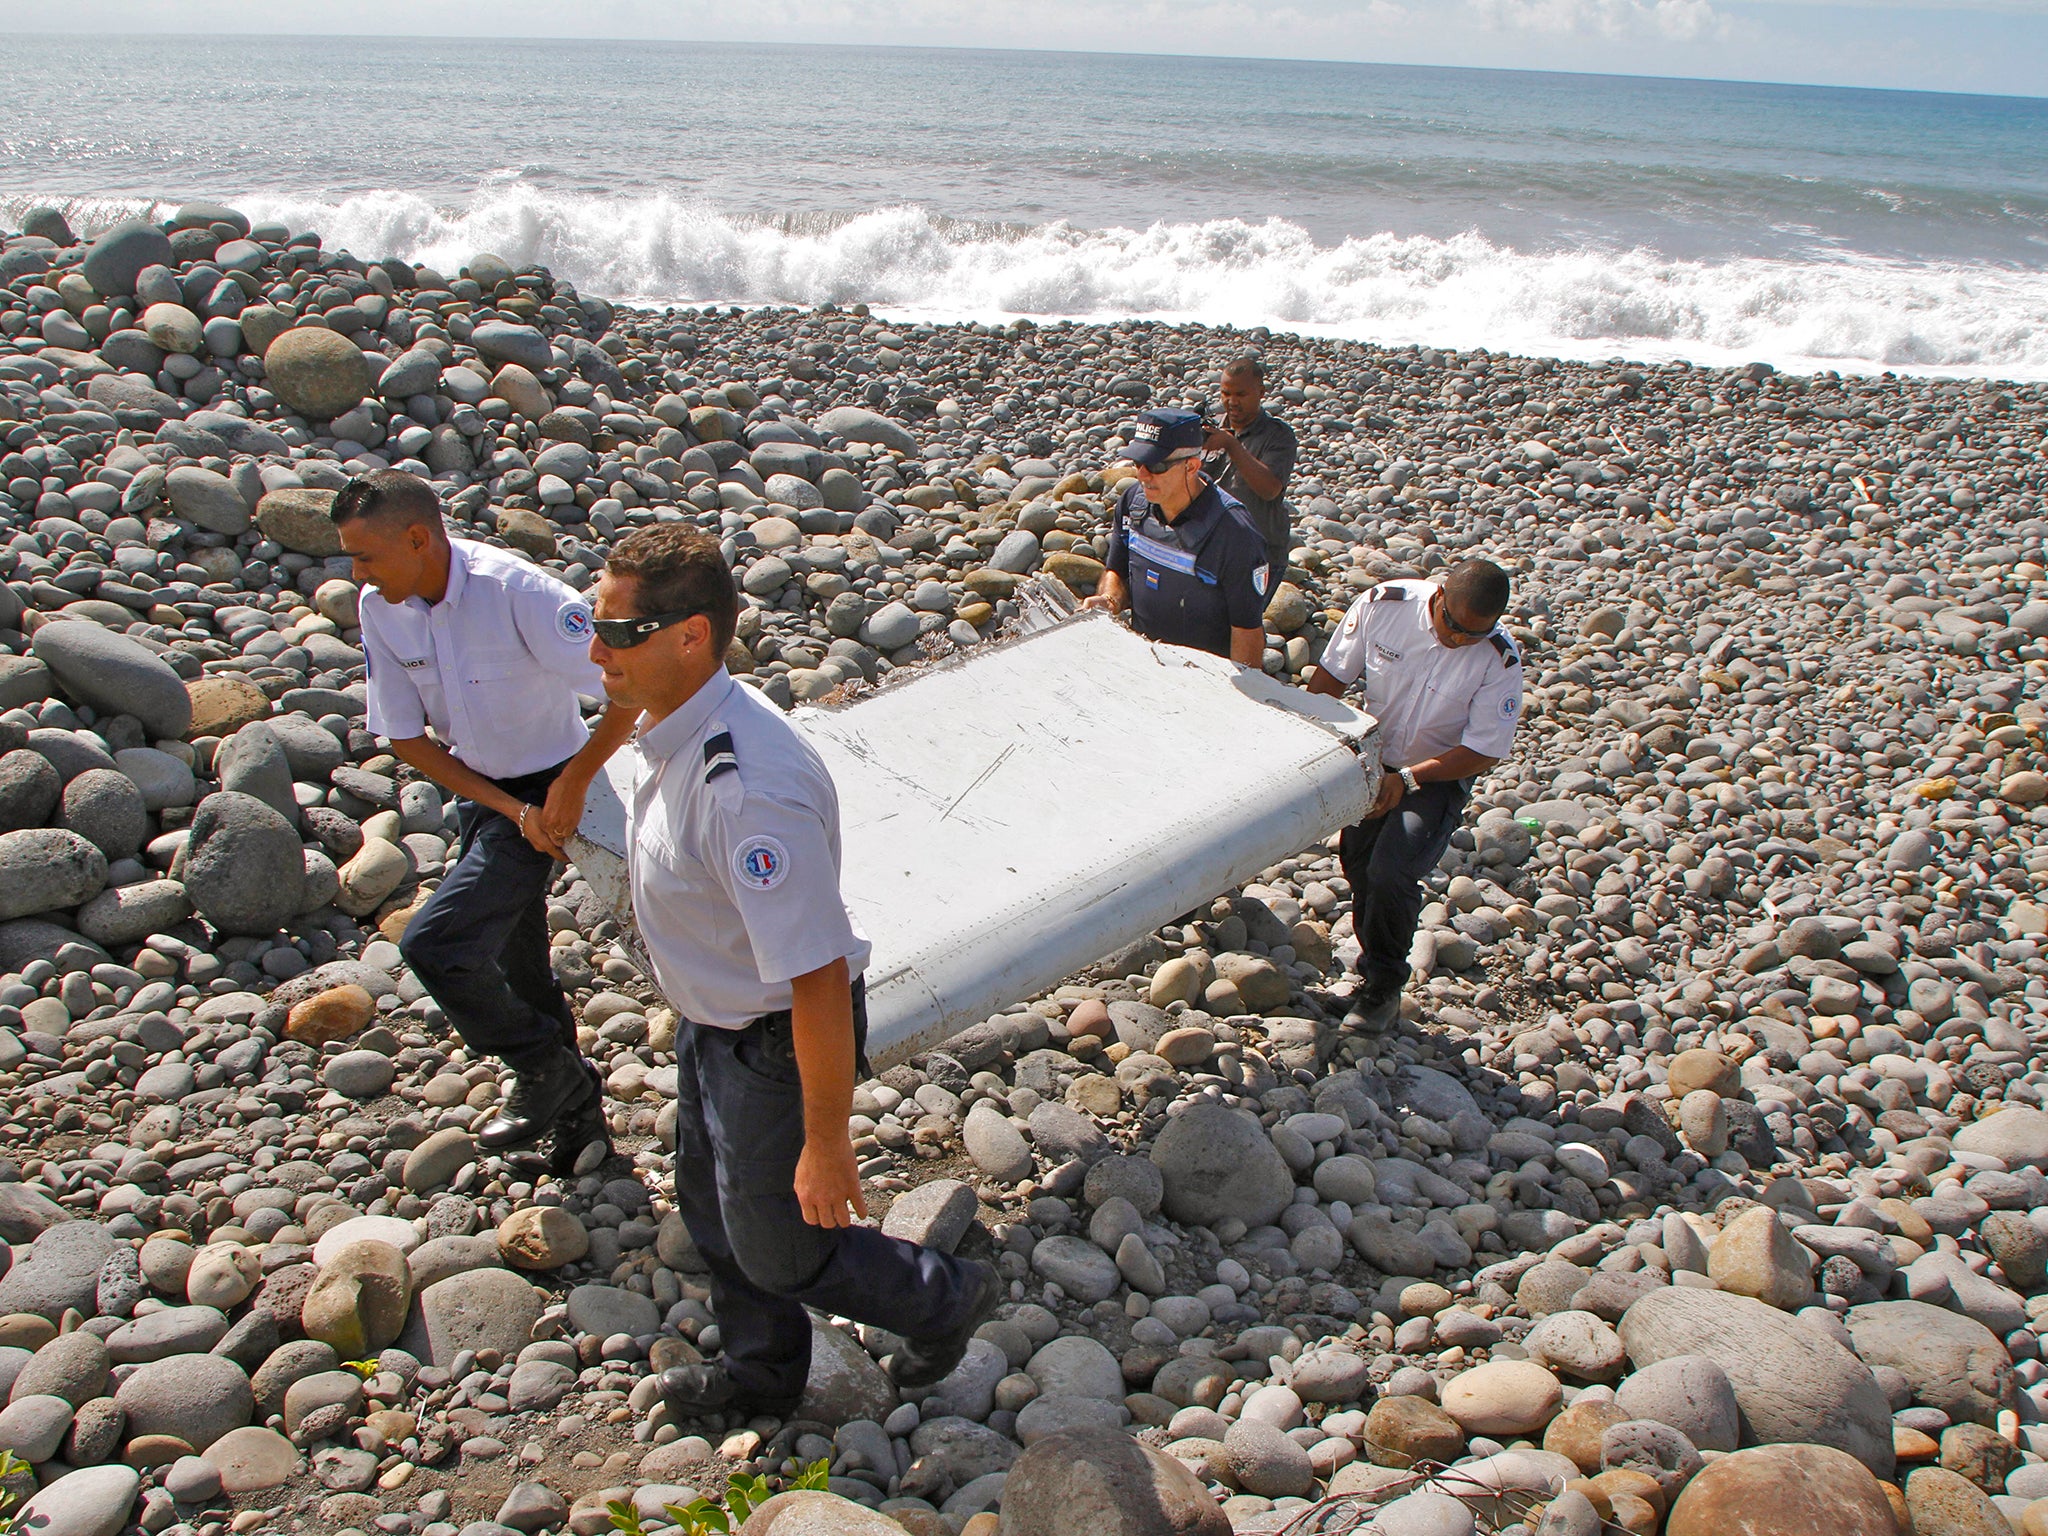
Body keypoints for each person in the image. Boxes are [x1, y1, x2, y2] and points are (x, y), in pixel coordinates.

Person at [587, 525, 1001, 1421]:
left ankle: (946, 1296)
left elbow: (814, 978)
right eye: (595, 624)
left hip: (775, 1037)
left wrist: (827, 1140)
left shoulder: (748, 792)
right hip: (717, 1022)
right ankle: (764, 1375)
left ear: (691, 636)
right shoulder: (675, 717)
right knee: (711, 1201)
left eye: (617, 634)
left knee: (782, 1247)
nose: (596, 651)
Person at [337, 470, 637, 1174]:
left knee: (436, 945)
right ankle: (579, 1124)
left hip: (555, 781)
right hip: (489, 795)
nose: (357, 573)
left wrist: (572, 784)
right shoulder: (381, 606)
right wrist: (509, 810)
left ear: (418, 539)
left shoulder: (515, 592)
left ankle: (542, 1069)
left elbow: (628, 685)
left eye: (366, 556)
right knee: (516, 959)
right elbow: (406, 738)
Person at [1304, 559, 1524, 1031]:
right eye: (1454, 626)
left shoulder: (1499, 659)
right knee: (1359, 867)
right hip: (1372, 757)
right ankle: (1369, 975)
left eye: (1474, 635)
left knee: (1393, 869)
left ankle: (1384, 988)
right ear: (1439, 595)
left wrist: (1407, 780)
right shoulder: (1386, 607)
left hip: (1437, 775)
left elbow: (1485, 749)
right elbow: (1330, 679)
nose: (1460, 640)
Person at [1084, 406, 1270, 666]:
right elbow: (1117, 570)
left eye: (1156, 465)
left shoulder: (1234, 534)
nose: (1142, 475)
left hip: (1203, 677)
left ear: (1191, 466)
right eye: (1138, 463)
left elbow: (1247, 632)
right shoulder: (1132, 503)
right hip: (1144, 662)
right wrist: (1109, 601)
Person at [1205, 354, 1298, 582]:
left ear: (1261, 393)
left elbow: (1269, 489)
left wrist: (1231, 445)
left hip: (1260, 555)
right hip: (1212, 547)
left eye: (1241, 394)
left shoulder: (1278, 435)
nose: (1232, 402)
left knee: (1243, 619)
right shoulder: (1211, 426)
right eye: (1226, 394)